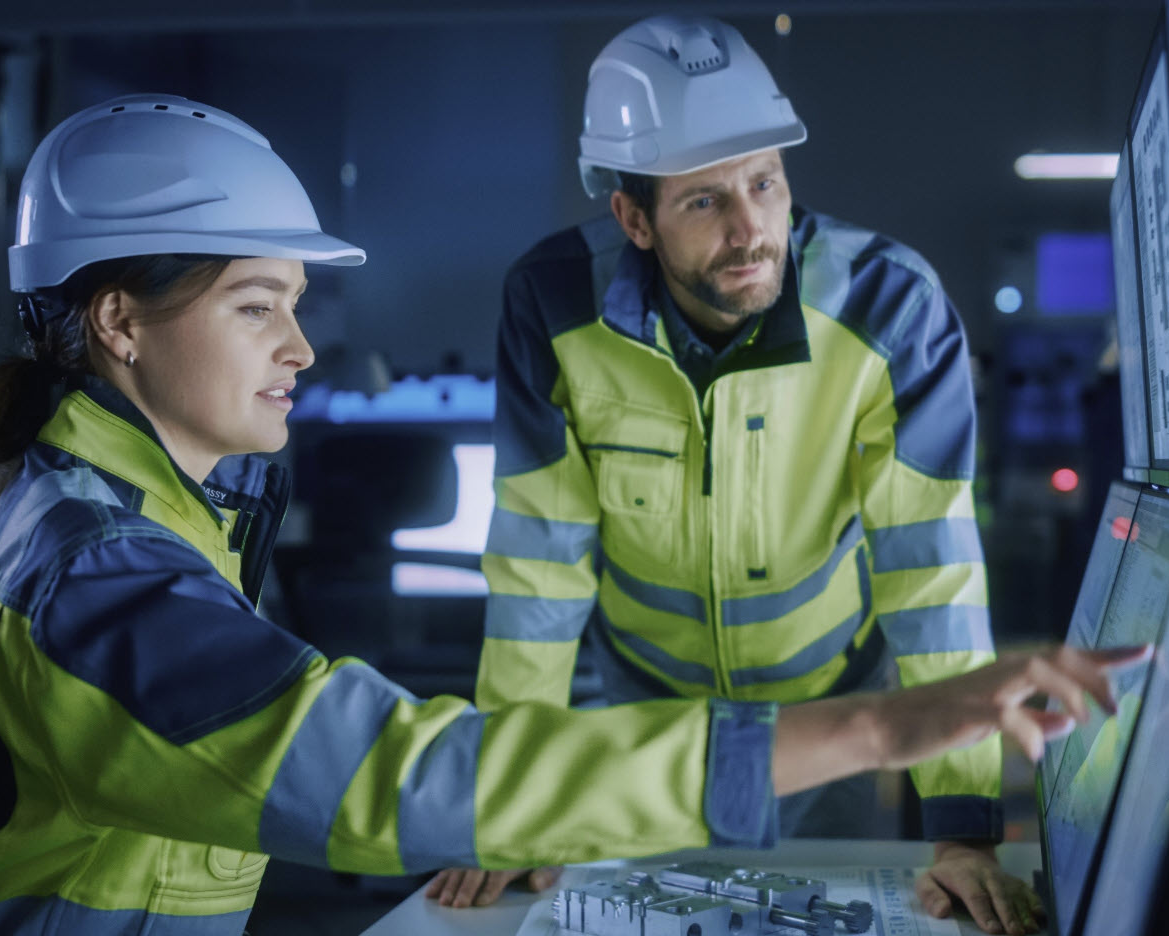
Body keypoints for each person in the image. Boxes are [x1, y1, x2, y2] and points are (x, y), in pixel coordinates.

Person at [0, 93, 1144, 936]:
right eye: (258, 305)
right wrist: (883, 725)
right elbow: (389, 768)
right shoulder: (99, 578)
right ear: (117, 323)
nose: (304, 349)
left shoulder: (130, 515)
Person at [441, 13, 1043, 935]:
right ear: (632, 218)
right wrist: (515, 801)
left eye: (765, 181)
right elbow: (538, 569)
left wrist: (962, 828)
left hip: (828, 710)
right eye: (703, 201)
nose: (751, 226)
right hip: (641, 715)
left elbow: (931, 575)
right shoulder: (552, 304)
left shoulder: (893, 307)